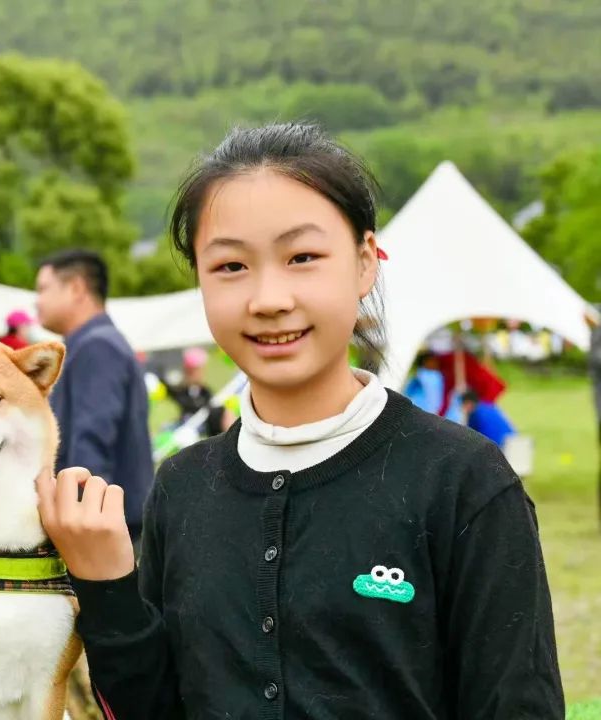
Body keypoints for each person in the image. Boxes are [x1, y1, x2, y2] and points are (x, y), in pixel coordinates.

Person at [36, 123, 563, 718]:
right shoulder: (182, 488)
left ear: (365, 262)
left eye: (303, 257)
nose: (269, 299)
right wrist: (107, 584)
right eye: (230, 266)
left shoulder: (462, 479)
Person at [34, 249, 154, 543]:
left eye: (43, 289)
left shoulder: (97, 347)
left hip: (102, 531)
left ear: (76, 288)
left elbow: (92, 442)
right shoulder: (92, 344)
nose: (37, 301)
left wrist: (84, 524)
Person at [162, 347, 235, 437]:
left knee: (227, 414)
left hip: (206, 423)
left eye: (200, 369)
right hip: (188, 425)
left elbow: (211, 404)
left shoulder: (204, 391)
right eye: (196, 370)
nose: (200, 373)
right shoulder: (179, 390)